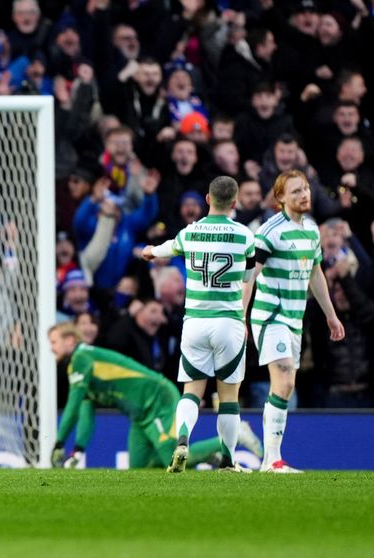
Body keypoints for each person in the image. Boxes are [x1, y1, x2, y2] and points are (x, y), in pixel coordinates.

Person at [141, 176, 256, 473]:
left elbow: (165, 249)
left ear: (207, 199)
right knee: (228, 396)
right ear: (234, 202)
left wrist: (150, 251)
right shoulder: (245, 236)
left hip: (195, 321)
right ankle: (229, 460)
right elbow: (247, 277)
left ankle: (182, 440)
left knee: (191, 391)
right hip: (228, 322)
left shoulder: (191, 233)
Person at [244, 170, 345, 473]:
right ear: (280, 198)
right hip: (270, 314)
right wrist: (241, 314)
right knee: (285, 379)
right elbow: (250, 275)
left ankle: (269, 458)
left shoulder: (312, 230)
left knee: (285, 388)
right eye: (296, 191)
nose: (304, 195)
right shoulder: (269, 232)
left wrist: (331, 315)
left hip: (294, 319)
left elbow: (316, 274)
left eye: (305, 189)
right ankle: (272, 460)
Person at [49, 322, 226, 469]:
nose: (51, 348)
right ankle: (205, 455)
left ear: (70, 340)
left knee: (173, 459)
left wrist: (59, 442)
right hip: (140, 414)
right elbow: (85, 413)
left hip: (156, 399)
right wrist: (78, 449)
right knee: (140, 468)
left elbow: (72, 407)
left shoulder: (81, 358)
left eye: (54, 342)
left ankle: (231, 436)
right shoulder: (79, 366)